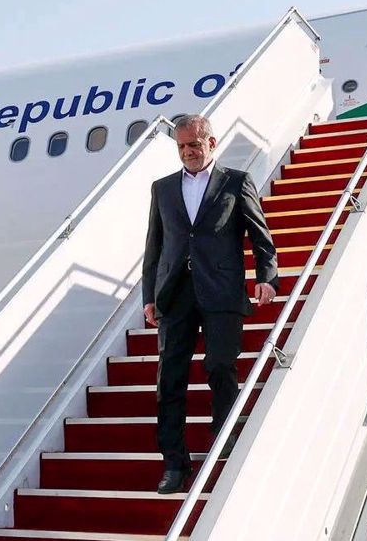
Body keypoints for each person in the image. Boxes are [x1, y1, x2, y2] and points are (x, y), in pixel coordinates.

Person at [142, 114, 279, 494]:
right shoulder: (162, 188)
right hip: (174, 294)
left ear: (211, 144)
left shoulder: (235, 182)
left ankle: (224, 435)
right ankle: (173, 463)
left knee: (220, 365)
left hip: (221, 290)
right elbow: (155, 247)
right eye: (182, 146)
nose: (188, 152)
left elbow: (259, 233)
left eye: (195, 145)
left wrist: (266, 276)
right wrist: (149, 296)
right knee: (169, 380)